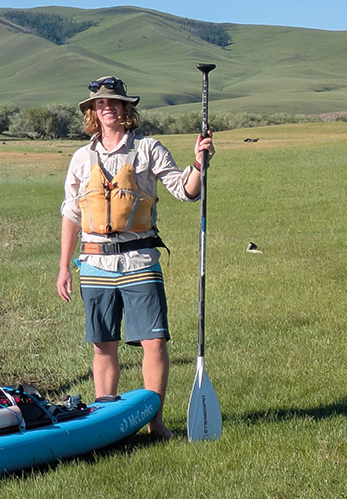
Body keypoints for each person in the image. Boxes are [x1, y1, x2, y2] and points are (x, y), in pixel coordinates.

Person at [56, 76, 215, 438]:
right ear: (93, 113)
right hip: (94, 264)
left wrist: (199, 164)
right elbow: (71, 213)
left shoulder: (148, 149)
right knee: (103, 346)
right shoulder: (81, 158)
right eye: (99, 103)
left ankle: (154, 424)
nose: (106, 107)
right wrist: (64, 266)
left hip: (140, 260)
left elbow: (185, 191)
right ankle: (105, 425)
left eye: (113, 102)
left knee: (154, 342)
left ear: (126, 108)